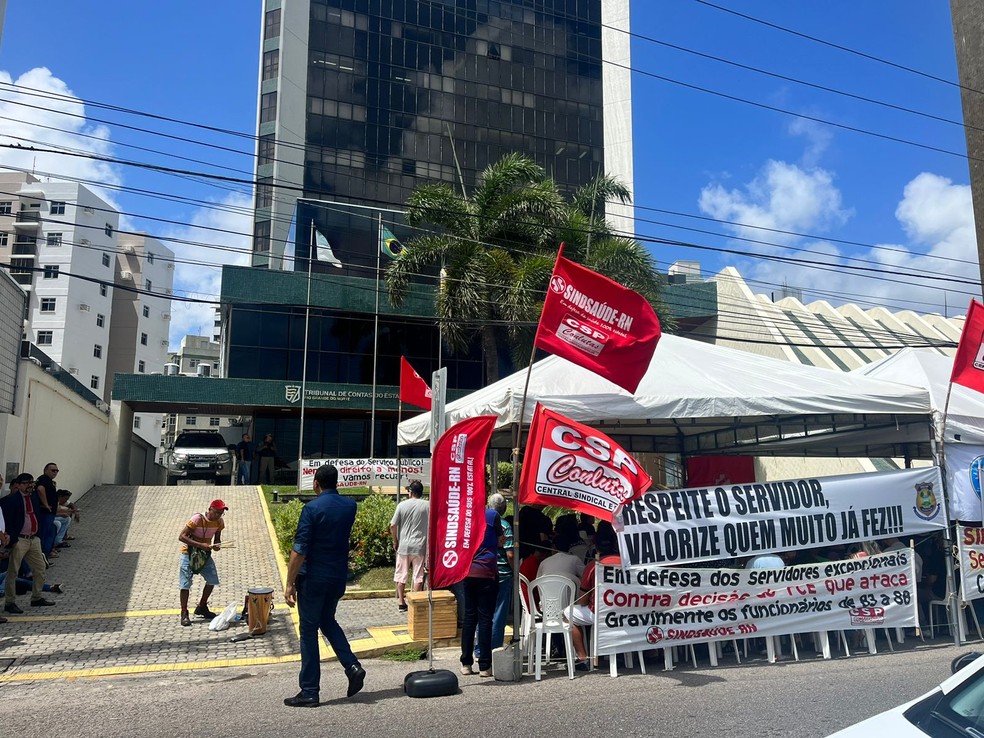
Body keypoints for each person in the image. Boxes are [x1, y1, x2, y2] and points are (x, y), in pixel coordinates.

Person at [284, 464, 366, 707]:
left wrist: (289, 584)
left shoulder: (311, 509)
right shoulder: (350, 506)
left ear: (316, 484)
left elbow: (299, 550)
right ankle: (352, 666)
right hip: (337, 577)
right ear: (337, 482)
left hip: (313, 579)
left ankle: (309, 691)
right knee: (328, 621)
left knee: (308, 631)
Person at [568, 521, 621, 671]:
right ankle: (650, 653)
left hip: (599, 614)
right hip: (625, 614)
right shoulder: (627, 564)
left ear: (595, 545)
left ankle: (583, 658)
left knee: (568, 614)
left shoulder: (593, 566)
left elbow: (583, 601)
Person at [460, 505, 504, 678]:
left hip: (468, 571)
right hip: (487, 571)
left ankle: (466, 663)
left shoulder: (464, 515)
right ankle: (485, 666)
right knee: (485, 619)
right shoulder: (493, 515)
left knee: (469, 618)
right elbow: (501, 540)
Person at [1, 474, 54, 614]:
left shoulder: (34, 497)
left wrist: (38, 536)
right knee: (13, 572)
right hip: (19, 539)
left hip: (34, 539)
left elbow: (36, 515)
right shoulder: (10, 500)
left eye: (31, 482)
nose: (29, 485)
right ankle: (10, 602)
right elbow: (7, 522)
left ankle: (36, 597)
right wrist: (13, 540)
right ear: (18, 485)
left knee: (40, 568)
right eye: (25, 483)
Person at [177, 499, 227, 627]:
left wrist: (216, 545)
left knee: (212, 580)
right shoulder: (197, 519)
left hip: (204, 555)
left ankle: (202, 606)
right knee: (185, 584)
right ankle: (184, 612)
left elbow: (217, 539)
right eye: (216, 512)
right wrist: (200, 544)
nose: (218, 516)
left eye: (221, 513)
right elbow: (182, 536)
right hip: (188, 553)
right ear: (210, 509)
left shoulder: (219, 522)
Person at [389, 480, 429, 612]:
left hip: (404, 546)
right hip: (420, 546)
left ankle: (401, 602)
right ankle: (415, 601)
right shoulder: (427, 506)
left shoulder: (402, 505)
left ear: (410, 492)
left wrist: (395, 540)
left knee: (401, 574)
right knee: (418, 575)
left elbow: (393, 525)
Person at [488, 493, 514, 652]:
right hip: (503, 575)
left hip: (484, 573)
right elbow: (510, 554)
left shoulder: (481, 521)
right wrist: (515, 570)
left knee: (484, 612)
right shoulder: (504, 525)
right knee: (499, 613)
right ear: (504, 508)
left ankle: (480, 648)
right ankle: (495, 647)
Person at [35, 462, 58, 557]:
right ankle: (42, 554)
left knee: (50, 531)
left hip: (49, 513)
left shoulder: (48, 480)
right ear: (45, 470)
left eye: (57, 471)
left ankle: (46, 552)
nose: (55, 472)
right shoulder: (44, 479)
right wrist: (46, 504)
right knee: (44, 533)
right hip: (45, 513)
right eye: (53, 470)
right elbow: (40, 489)